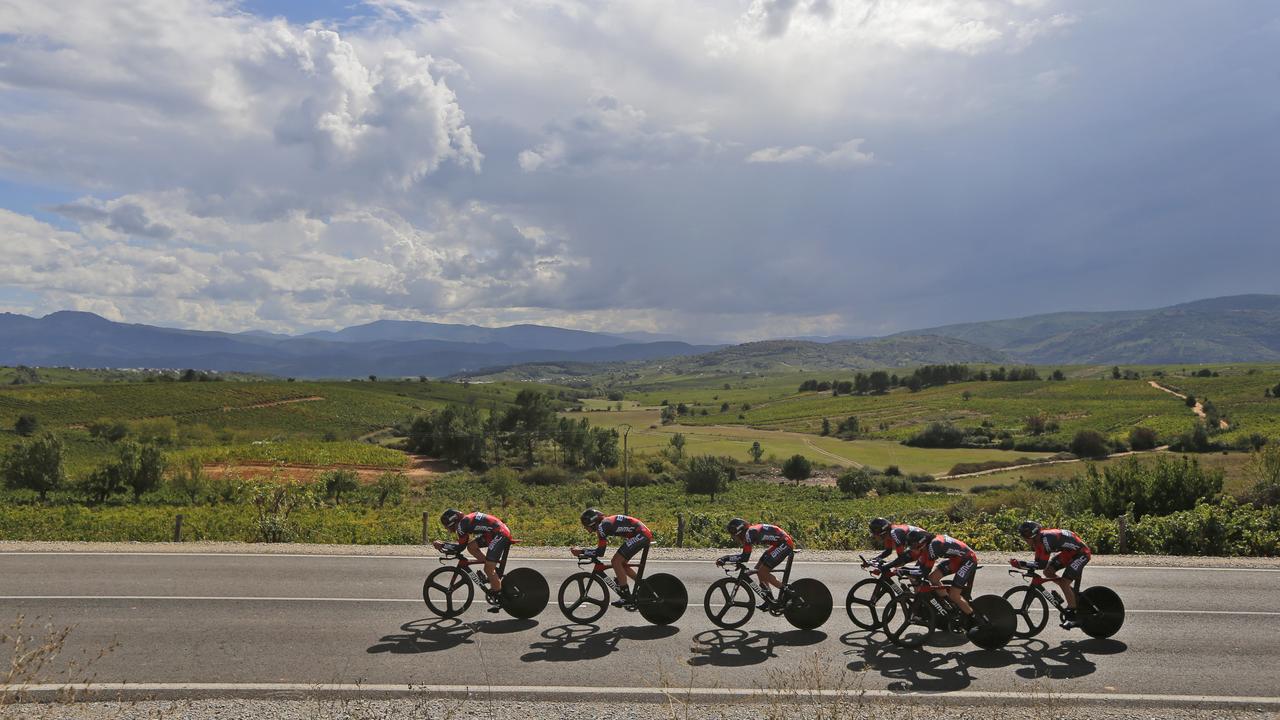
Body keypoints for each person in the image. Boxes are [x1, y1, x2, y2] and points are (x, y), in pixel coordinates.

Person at [1010, 520, 1093, 628]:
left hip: (1081, 553)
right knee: (1048, 572)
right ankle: (1071, 593)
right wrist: (1024, 565)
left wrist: (1021, 564)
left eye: (1025, 537)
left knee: (1063, 582)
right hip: (1069, 552)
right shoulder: (1039, 540)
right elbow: (1038, 563)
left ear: (1032, 535)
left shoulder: (1045, 540)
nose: (1024, 540)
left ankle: (1072, 616)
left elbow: (1041, 564)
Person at [434, 508, 511, 613]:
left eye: (447, 526)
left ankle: (499, 599)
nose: (448, 529)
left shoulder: (462, 525)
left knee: (488, 569)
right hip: (493, 533)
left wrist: (443, 545)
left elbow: (460, 547)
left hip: (499, 534)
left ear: (452, 522)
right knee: (471, 547)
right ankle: (493, 572)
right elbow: (465, 545)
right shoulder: (464, 521)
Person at [572, 508, 653, 607]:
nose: (586, 529)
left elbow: (600, 552)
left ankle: (626, 596)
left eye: (585, 526)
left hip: (641, 534)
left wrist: (581, 551)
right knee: (621, 564)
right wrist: (585, 552)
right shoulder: (604, 524)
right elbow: (600, 551)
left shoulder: (602, 526)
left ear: (592, 523)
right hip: (640, 534)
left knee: (616, 562)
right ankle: (642, 585)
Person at [717, 518, 796, 611]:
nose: (733, 538)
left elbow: (745, 557)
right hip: (779, 544)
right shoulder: (749, 532)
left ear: (739, 531)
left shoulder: (749, 534)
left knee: (763, 572)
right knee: (758, 569)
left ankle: (787, 591)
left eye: (734, 535)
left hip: (784, 544)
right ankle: (769, 599)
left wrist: (725, 558)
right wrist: (733, 560)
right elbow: (744, 556)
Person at [906, 529, 979, 624]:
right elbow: (919, 567)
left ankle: (974, 619)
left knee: (954, 594)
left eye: (913, 545)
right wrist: (907, 571)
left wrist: (905, 571)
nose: (913, 548)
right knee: (933, 578)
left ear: (921, 542)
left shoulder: (933, 545)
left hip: (968, 560)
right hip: (956, 559)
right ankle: (948, 603)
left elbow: (925, 571)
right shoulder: (927, 546)